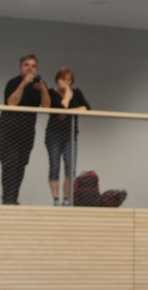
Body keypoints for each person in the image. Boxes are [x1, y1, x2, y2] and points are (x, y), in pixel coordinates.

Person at [0, 54, 51, 205]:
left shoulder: (39, 84)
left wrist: (43, 90)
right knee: (10, 163)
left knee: (21, 163)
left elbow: (47, 106)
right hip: (9, 127)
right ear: (20, 68)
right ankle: (7, 200)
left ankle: (13, 198)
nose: (30, 68)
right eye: (27, 65)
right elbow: (11, 103)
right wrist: (23, 84)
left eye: (33, 65)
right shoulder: (13, 83)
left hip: (27, 129)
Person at [45, 67, 89, 206]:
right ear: (57, 79)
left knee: (70, 168)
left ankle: (66, 199)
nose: (66, 82)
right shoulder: (51, 93)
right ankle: (56, 200)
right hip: (54, 134)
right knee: (54, 167)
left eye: (68, 80)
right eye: (63, 79)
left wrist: (69, 109)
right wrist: (67, 95)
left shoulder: (77, 92)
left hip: (70, 135)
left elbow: (86, 108)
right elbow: (60, 106)